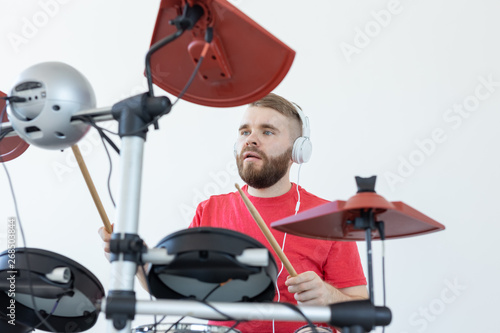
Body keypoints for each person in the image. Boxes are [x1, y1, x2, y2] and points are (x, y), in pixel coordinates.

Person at [99, 93, 368, 333]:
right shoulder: (210, 210)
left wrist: (329, 295)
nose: (251, 139)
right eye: (244, 131)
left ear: (296, 151)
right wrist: (133, 261)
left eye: (267, 132)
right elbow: (180, 290)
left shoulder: (327, 217)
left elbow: (363, 314)